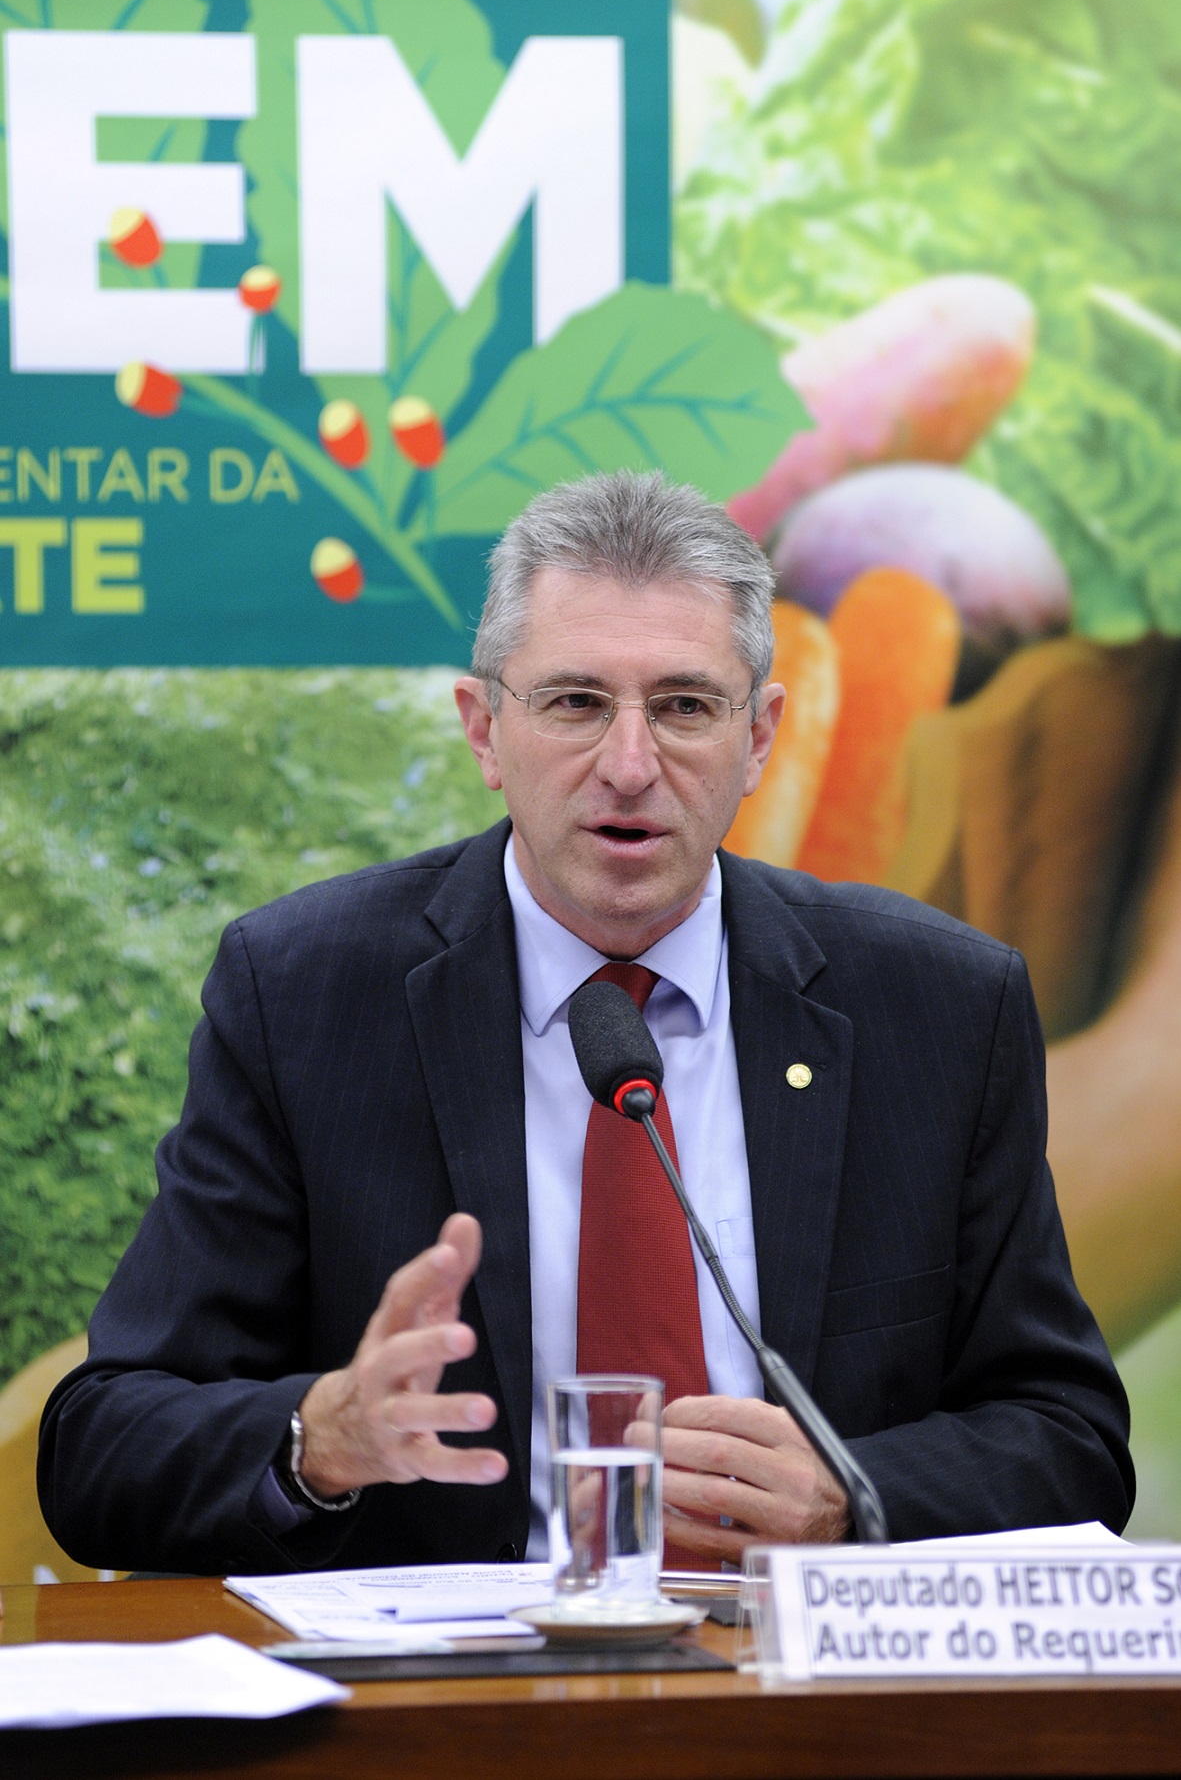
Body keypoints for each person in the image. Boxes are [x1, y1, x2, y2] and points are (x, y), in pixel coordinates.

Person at [39, 472, 1132, 1575]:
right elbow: (101, 1443)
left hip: (791, 1672)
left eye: (684, 706)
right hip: (451, 1679)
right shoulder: (305, 994)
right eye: (574, 703)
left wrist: (852, 1495)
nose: (629, 765)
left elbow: (1071, 1438)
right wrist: (313, 1439)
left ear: (759, 737)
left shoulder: (937, 1005)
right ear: (484, 730)